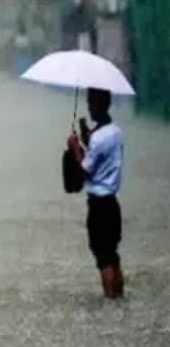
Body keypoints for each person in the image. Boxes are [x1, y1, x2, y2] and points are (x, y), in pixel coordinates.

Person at [67, 88, 125, 299]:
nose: (89, 107)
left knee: (102, 256)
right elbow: (102, 156)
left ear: (98, 104)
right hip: (113, 204)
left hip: (99, 206)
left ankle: (110, 300)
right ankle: (119, 297)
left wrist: (75, 147)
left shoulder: (99, 138)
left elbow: (84, 169)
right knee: (112, 254)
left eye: (90, 102)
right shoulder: (115, 132)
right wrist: (86, 137)